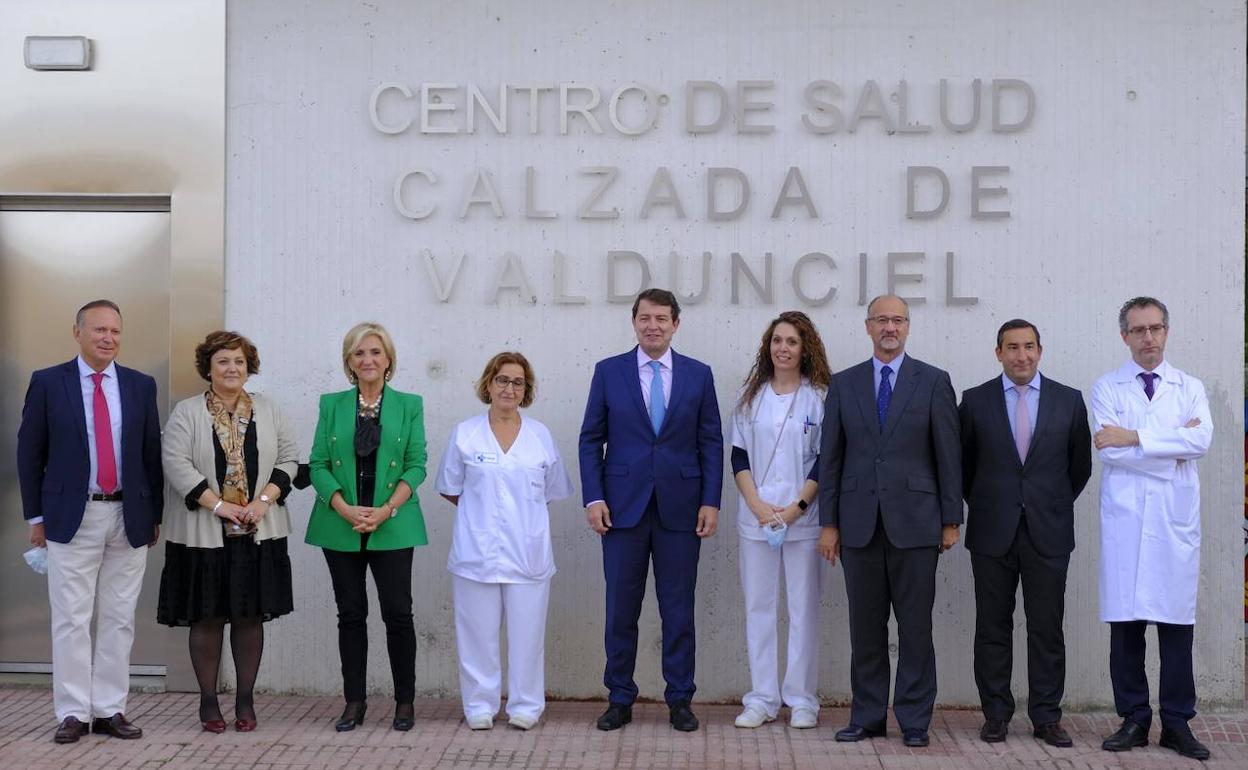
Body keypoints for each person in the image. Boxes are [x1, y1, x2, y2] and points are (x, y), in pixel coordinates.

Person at [816, 294, 961, 748]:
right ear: (867, 327)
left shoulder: (934, 382)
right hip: (859, 525)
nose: (889, 327)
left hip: (917, 524)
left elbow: (948, 456)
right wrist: (830, 523)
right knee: (866, 627)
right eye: (881, 320)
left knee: (916, 626)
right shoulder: (844, 384)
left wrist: (951, 519)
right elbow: (831, 459)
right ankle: (868, 716)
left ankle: (915, 720)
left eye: (897, 320)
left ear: (908, 326)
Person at [16, 299, 163, 744]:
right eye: (99, 329)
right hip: (70, 516)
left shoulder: (140, 385)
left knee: (119, 616)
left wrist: (154, 513)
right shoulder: (48, 382)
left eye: (116, 331)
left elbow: (149, 456)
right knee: (71, 618)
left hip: (127, 514)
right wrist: (36, 517)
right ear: (77, 331)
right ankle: (74, 711)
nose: (108, 338)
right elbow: (29, 453)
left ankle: (110, 708)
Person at [578, 288, 724, 732]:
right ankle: (620, 697)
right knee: (621, 610)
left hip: (681, 510)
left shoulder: (699, 375)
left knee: (678, 610)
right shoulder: (609, 372)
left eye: (662, 318)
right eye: (645, 318)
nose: (653, 326)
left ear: (676, 324)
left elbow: (710, 442)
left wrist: (710, 502)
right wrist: (594, 496)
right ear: (634, 321)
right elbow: (590, 439)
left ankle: (680, 698)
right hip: (621, 511)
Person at [156, 331, 299, 733]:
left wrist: (262, 503)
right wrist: (220, 506)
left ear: (248, 366)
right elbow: (176, 463)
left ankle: (245, 701)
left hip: (258, 530)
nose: (232, 368)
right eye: (223, 361)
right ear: (209, 368)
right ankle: (207, 702)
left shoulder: (270, 410)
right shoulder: (186, 412)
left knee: (249, 616)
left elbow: (289, 458)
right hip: (203, 533)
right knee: (208, 617)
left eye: (238, 361)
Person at [958, 319, 1091, 747]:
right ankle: (995, 714)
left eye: (1029, 346)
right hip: (992, 531)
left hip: (1047, 532)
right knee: (992, 627)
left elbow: (1079, 468)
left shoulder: (1069, 402)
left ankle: (1046, 717)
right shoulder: (974, 401)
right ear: (998, 352)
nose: (1021, 355)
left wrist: (1046, 504)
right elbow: (963, 468)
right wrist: (992, 502)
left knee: (1046, 628)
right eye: (1012, 347)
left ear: (1040, 350)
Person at [1091, 296, 1212, 761]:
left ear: (1166, 332)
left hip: (1172, 524)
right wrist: (1172, 447)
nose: (1149, 338)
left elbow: (1200, 441)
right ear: (1125, 336)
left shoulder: (1190, 387)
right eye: (1139, 330)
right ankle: (1134, 719)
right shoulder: (1108, 387)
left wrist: (1136, 436)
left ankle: (1177, 723)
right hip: (1126, 523)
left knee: (1176, 627)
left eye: (1156, 329)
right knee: (1126, 628)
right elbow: (1108, 450)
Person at [435, 352, 573, 731]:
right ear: (488, 384)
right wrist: (485, 513)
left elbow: (550, 489)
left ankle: (526, 705)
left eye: (518, 382)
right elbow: (450, 487)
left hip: (528, 551)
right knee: (476, 633)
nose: (509, 388)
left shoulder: (541, 436)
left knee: (528, 635)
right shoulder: (465, 433)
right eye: (502, 380)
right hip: (476, 550)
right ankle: (480, 705)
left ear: (525, 390)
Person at [306, 322, 428, 732]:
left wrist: (386, 510)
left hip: (393, 524)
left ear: (388, 359)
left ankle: (405, 703)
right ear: (349, 362)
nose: (368, 360)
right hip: (340, 524)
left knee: (398, 614)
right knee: (351, 614)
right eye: (359, 353)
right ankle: (354, 703)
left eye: (375, 352)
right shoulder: (332, 404)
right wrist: (342, 507)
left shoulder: (410, 404)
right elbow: (318, 464)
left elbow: (417, 465)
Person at [730, 311, 831, 730]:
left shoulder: (819, 398)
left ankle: (802, 699)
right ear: (767, 347)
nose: (783, 348)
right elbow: (738, 455)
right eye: (776, 341)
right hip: (757, 520)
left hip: (802, 521)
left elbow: (826, 460)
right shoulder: (750, 398)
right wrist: (756, 504)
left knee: (804, 609)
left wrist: (797, 509)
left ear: (805, 348)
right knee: (760, 607)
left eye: (791, 341)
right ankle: (763, 698)